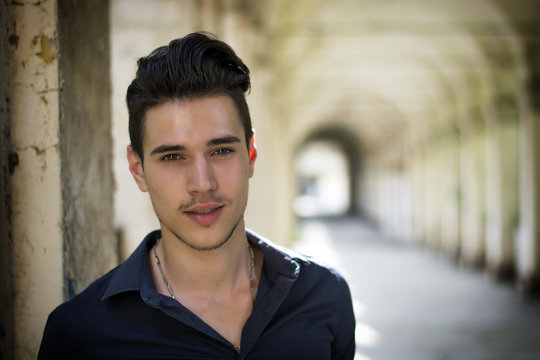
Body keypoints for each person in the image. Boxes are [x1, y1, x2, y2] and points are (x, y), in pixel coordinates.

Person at [38, 32, 355, 359]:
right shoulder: (79, 333)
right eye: (173, 157)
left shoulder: (324, 294)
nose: (202, 183)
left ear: (251, 155)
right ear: (137, 169)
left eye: (220, 150)